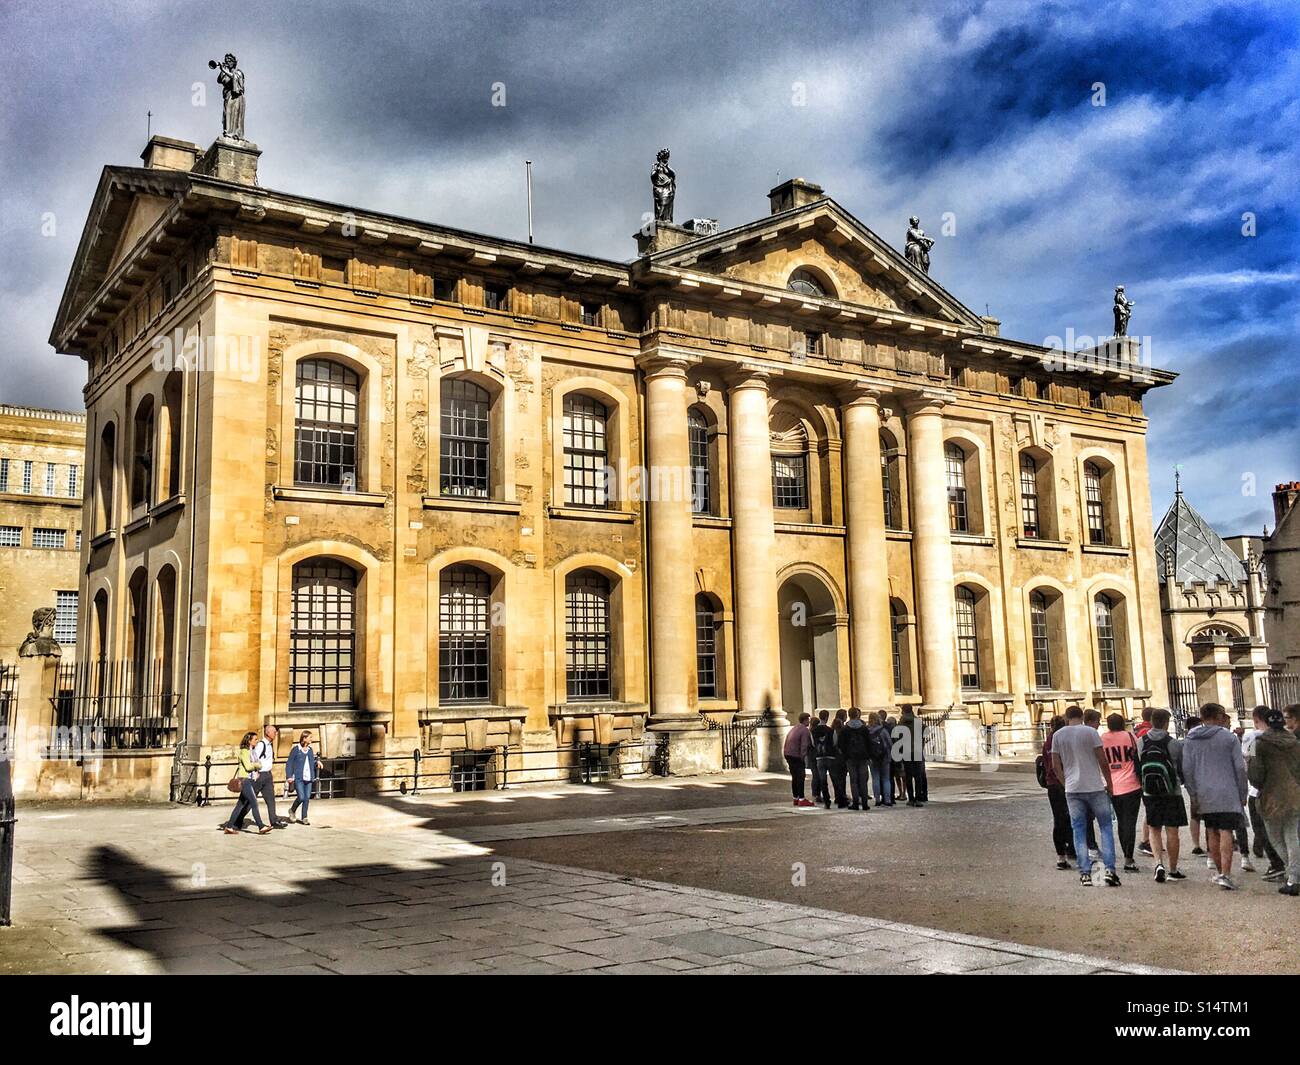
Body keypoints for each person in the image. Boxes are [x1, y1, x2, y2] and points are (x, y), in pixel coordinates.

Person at [1051, 706, 1120, 887]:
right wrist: (1110, 784)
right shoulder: (1090, 732)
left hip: (1073, 788)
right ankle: (1110, 871)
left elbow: (1055, 764)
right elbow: (1102, 760)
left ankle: (1085, 874)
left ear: (1067, 717)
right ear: (1081, 716)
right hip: (1095, 786)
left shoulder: (1058, 735)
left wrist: (1065, 783)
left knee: (1078, 830)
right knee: (1105, 827)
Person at [1182, 703, 1248, 890]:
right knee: (1226, 831)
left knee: (1212, 831)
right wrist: (1242, 792)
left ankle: (1219, 871)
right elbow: (1239, 768)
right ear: (1218, 716)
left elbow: (1187, 769)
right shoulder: (1229, 738)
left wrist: (1193, 792)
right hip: (1228, 790)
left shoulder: (1190, 739)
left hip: (1204, 791)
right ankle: (1226, 874)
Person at [1247, 707, 1300, 896]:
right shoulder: (1294, 742)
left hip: (1271, 795)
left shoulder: (1258, 743)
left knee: (1275, 838)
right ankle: (1294, 875)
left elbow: (1255, 775)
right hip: (1294, 793)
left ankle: (1294, 874)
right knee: (1292, 835)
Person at [1137, 708, 1188, 883]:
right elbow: (1180, 769)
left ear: (1151, 721)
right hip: (1171, 792)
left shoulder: (1140, 742)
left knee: (1154, 829)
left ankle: (1158, 863)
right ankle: (1173, 869)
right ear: (1166, 723)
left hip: (1150, 791)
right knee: (1172, 831)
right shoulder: (1173, 743)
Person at [1241, 706, 1285, 880]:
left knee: (1262, 828)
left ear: (1256, 719)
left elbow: (1248, 760)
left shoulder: (1252, 737)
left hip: (1258, 790)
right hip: (1280, 787)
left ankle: (1276, 863)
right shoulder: (1285, 737)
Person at [1101, 713, 1143, 872]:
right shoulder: (1130, 737)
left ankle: (1126, 854)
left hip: (1112, 785)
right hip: (1132, 784)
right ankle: (1128, 858)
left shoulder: (1102, 739)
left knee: (1120, 821)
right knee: (1130, 822)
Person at [1042, 715, 1077, 869]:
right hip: (1066, 782)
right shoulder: (1064, 740)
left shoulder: (1048, 741)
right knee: (1072, 817)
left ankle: (1061, 856)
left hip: (1052, 785)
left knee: (1059, 819)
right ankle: (1071, 849)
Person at [222, 732, 271, 835]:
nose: (257, 741)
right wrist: (257, 765)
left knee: (240, 805)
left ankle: (229, 826)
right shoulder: (245, 751)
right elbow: (248, 767)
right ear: (249, 741)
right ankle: (261, 826)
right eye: (255, 739)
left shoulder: (251, 752)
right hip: (245, 780)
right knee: (254, 803)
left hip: (249, 779)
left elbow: (256, 765)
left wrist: (257, 765)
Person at [838, 707, 872, 811]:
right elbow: (868, 743)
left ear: (849, 715)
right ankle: (865, 803)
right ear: (857, 715)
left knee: (854, 781)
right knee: (863, 781)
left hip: (850, 758)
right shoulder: (864, 728)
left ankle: (856, 803)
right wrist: (868, 756)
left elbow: (841, 744)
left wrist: (845, 755)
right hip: (863, 757)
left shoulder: (845, 729)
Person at [285, 730, 322, 825]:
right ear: (304, 738)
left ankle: (304, 817)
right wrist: (289, 776)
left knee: (307, 798)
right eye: (310, 737)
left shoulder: (310, 750)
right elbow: (289, 763)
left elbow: (310, 762)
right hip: (298, 778)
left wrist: (316, 763)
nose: (311, 739)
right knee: (301, 797)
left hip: (309, 778)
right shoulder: (296, 749)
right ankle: (292, 810)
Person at [896, 706, 927, 807]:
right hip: (917, 751)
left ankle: (911, 798)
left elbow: (898, 738)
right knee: (918, 777)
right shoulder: (918, 722)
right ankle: (918, 798)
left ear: (903, 711)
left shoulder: (901, 723)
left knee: (908, 776)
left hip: (906, 751)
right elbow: (925, 733)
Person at [783, 712, 815, 807]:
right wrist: (803, 757)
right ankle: (801, 798)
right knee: (801, 777)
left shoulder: (795, 728)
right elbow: (804, 745)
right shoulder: (804, 730)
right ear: (805, 720)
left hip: (788, 754)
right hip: (796, 756)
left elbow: (787, 740)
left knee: (795, 777)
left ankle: (795, 798)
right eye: (808, 719)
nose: (809, 721)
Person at [1135, 707, 1155, 856]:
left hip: (1144, 774)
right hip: (1148, 774)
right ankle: (1145, 840)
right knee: (1151, 808)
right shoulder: (1146, 732)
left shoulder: (1141, 730)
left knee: (1151, 808)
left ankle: (1148, 839)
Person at [867, 712, 894, 807]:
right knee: (886, 779)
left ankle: (877, 799)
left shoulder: (867, 730)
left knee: (875, 779)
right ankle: (887, 799)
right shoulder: (883, 730)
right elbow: (890, 743)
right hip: (884, 757)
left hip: (872, 758)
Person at [830, 709, 849, 809]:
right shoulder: (842, 729)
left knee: (837, 778)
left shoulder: (832, 728)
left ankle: (838, 796)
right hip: (841, 757)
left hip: (834, 757)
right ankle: (842, 797)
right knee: (842, 778)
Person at [887, 714, 906, 802]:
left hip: (899, 756)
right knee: (898, 776)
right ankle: (901, 792)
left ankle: (903, 793)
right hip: (897, 756)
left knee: (901, 776)